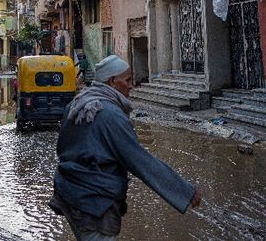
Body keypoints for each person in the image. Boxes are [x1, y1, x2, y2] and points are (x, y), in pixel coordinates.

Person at [49, 55, 201, 240]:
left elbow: (62, 150)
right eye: (127, 80)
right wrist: (183, 191)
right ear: (112, 81)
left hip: (68, 193)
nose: (131, 85)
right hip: (93, 202)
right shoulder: (110, 115)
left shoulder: (76, 104)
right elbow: (139, 161)